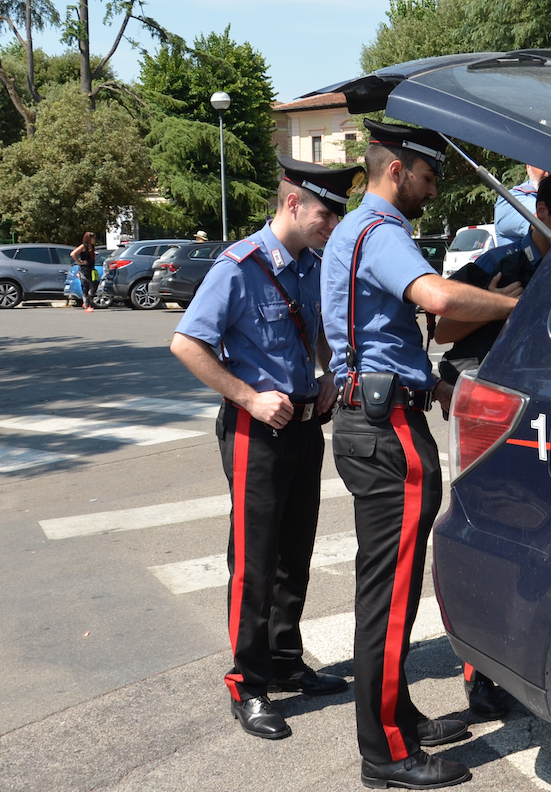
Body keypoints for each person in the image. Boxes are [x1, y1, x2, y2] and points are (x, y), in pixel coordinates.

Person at [321, 119, 520, 790]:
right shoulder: (379, 233)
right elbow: (434, 299)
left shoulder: (361, 231)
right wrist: (511, 306)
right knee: (388, 593)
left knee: (390, 590)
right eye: (429, 178)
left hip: (378, 414)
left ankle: (398, 718)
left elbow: (376, 337)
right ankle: (385, 755)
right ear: (397, 169)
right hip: (384, 432)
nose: (432, 193)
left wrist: (429, 381)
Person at [170, 155, 364, 741]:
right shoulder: (239, 267)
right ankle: (248, 683)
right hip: (257, 430)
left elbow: (323, 335)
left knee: (294, 550)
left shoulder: (311, 265)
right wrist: (249, 398)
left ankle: (284, 658)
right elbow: (186, 343)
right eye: (326, 215)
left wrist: (331, 374)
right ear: (292, 204)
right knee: (254, 562)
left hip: (306, 424)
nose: (332, 227)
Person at [434, 175, 551, 718]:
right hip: (494, 418)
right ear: (541, 212)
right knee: (495, 533)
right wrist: (505, 302)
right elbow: (443, 329)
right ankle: (485, 676)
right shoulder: (501, 260)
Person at [493, 164, 547, 246]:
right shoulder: (509, 200)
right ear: (528, 168)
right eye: (544, 163)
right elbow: (545, 221)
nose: (548, 172)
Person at [70, 231, 98, 312]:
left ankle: (87, 302)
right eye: (92, 238)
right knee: (86, 286)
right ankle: (87, 306)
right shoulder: (83, 246)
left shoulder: (92, 247)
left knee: (94, 286)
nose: (94, 240)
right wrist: (80, 262)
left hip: (91, 269)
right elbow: (73, 254)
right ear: (88, 239)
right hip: (84, 269)